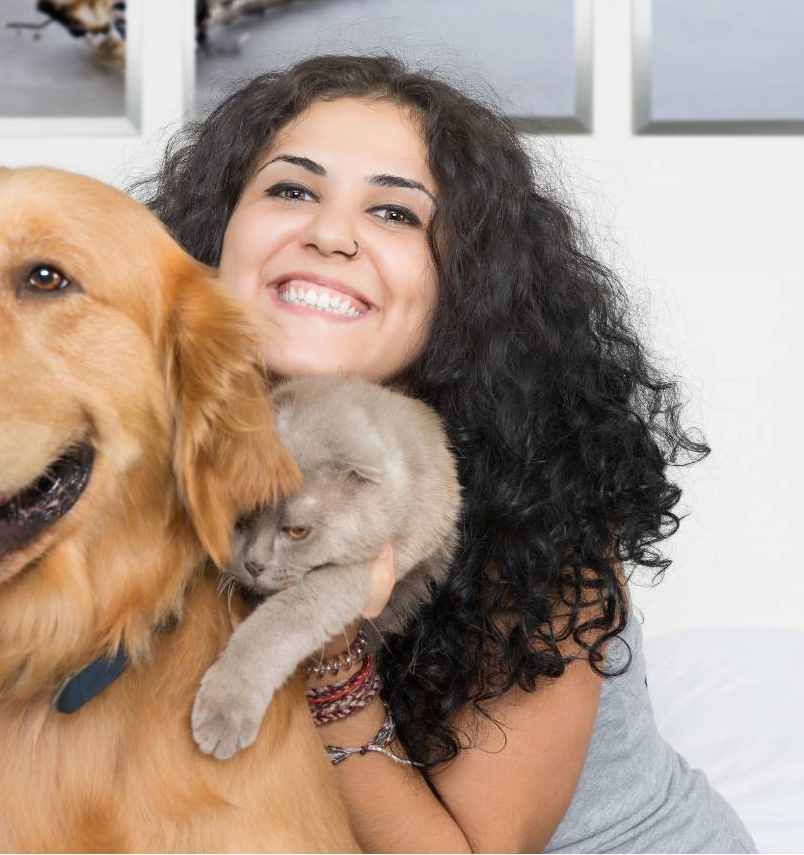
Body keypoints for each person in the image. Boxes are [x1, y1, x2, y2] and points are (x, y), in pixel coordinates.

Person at [139, 54, 756, 853]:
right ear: (216, 234)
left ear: (461, 284)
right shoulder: (135, 451)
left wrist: (326, 651)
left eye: (395, 214)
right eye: (291, 190)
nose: (329, 234)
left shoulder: (535, 507)